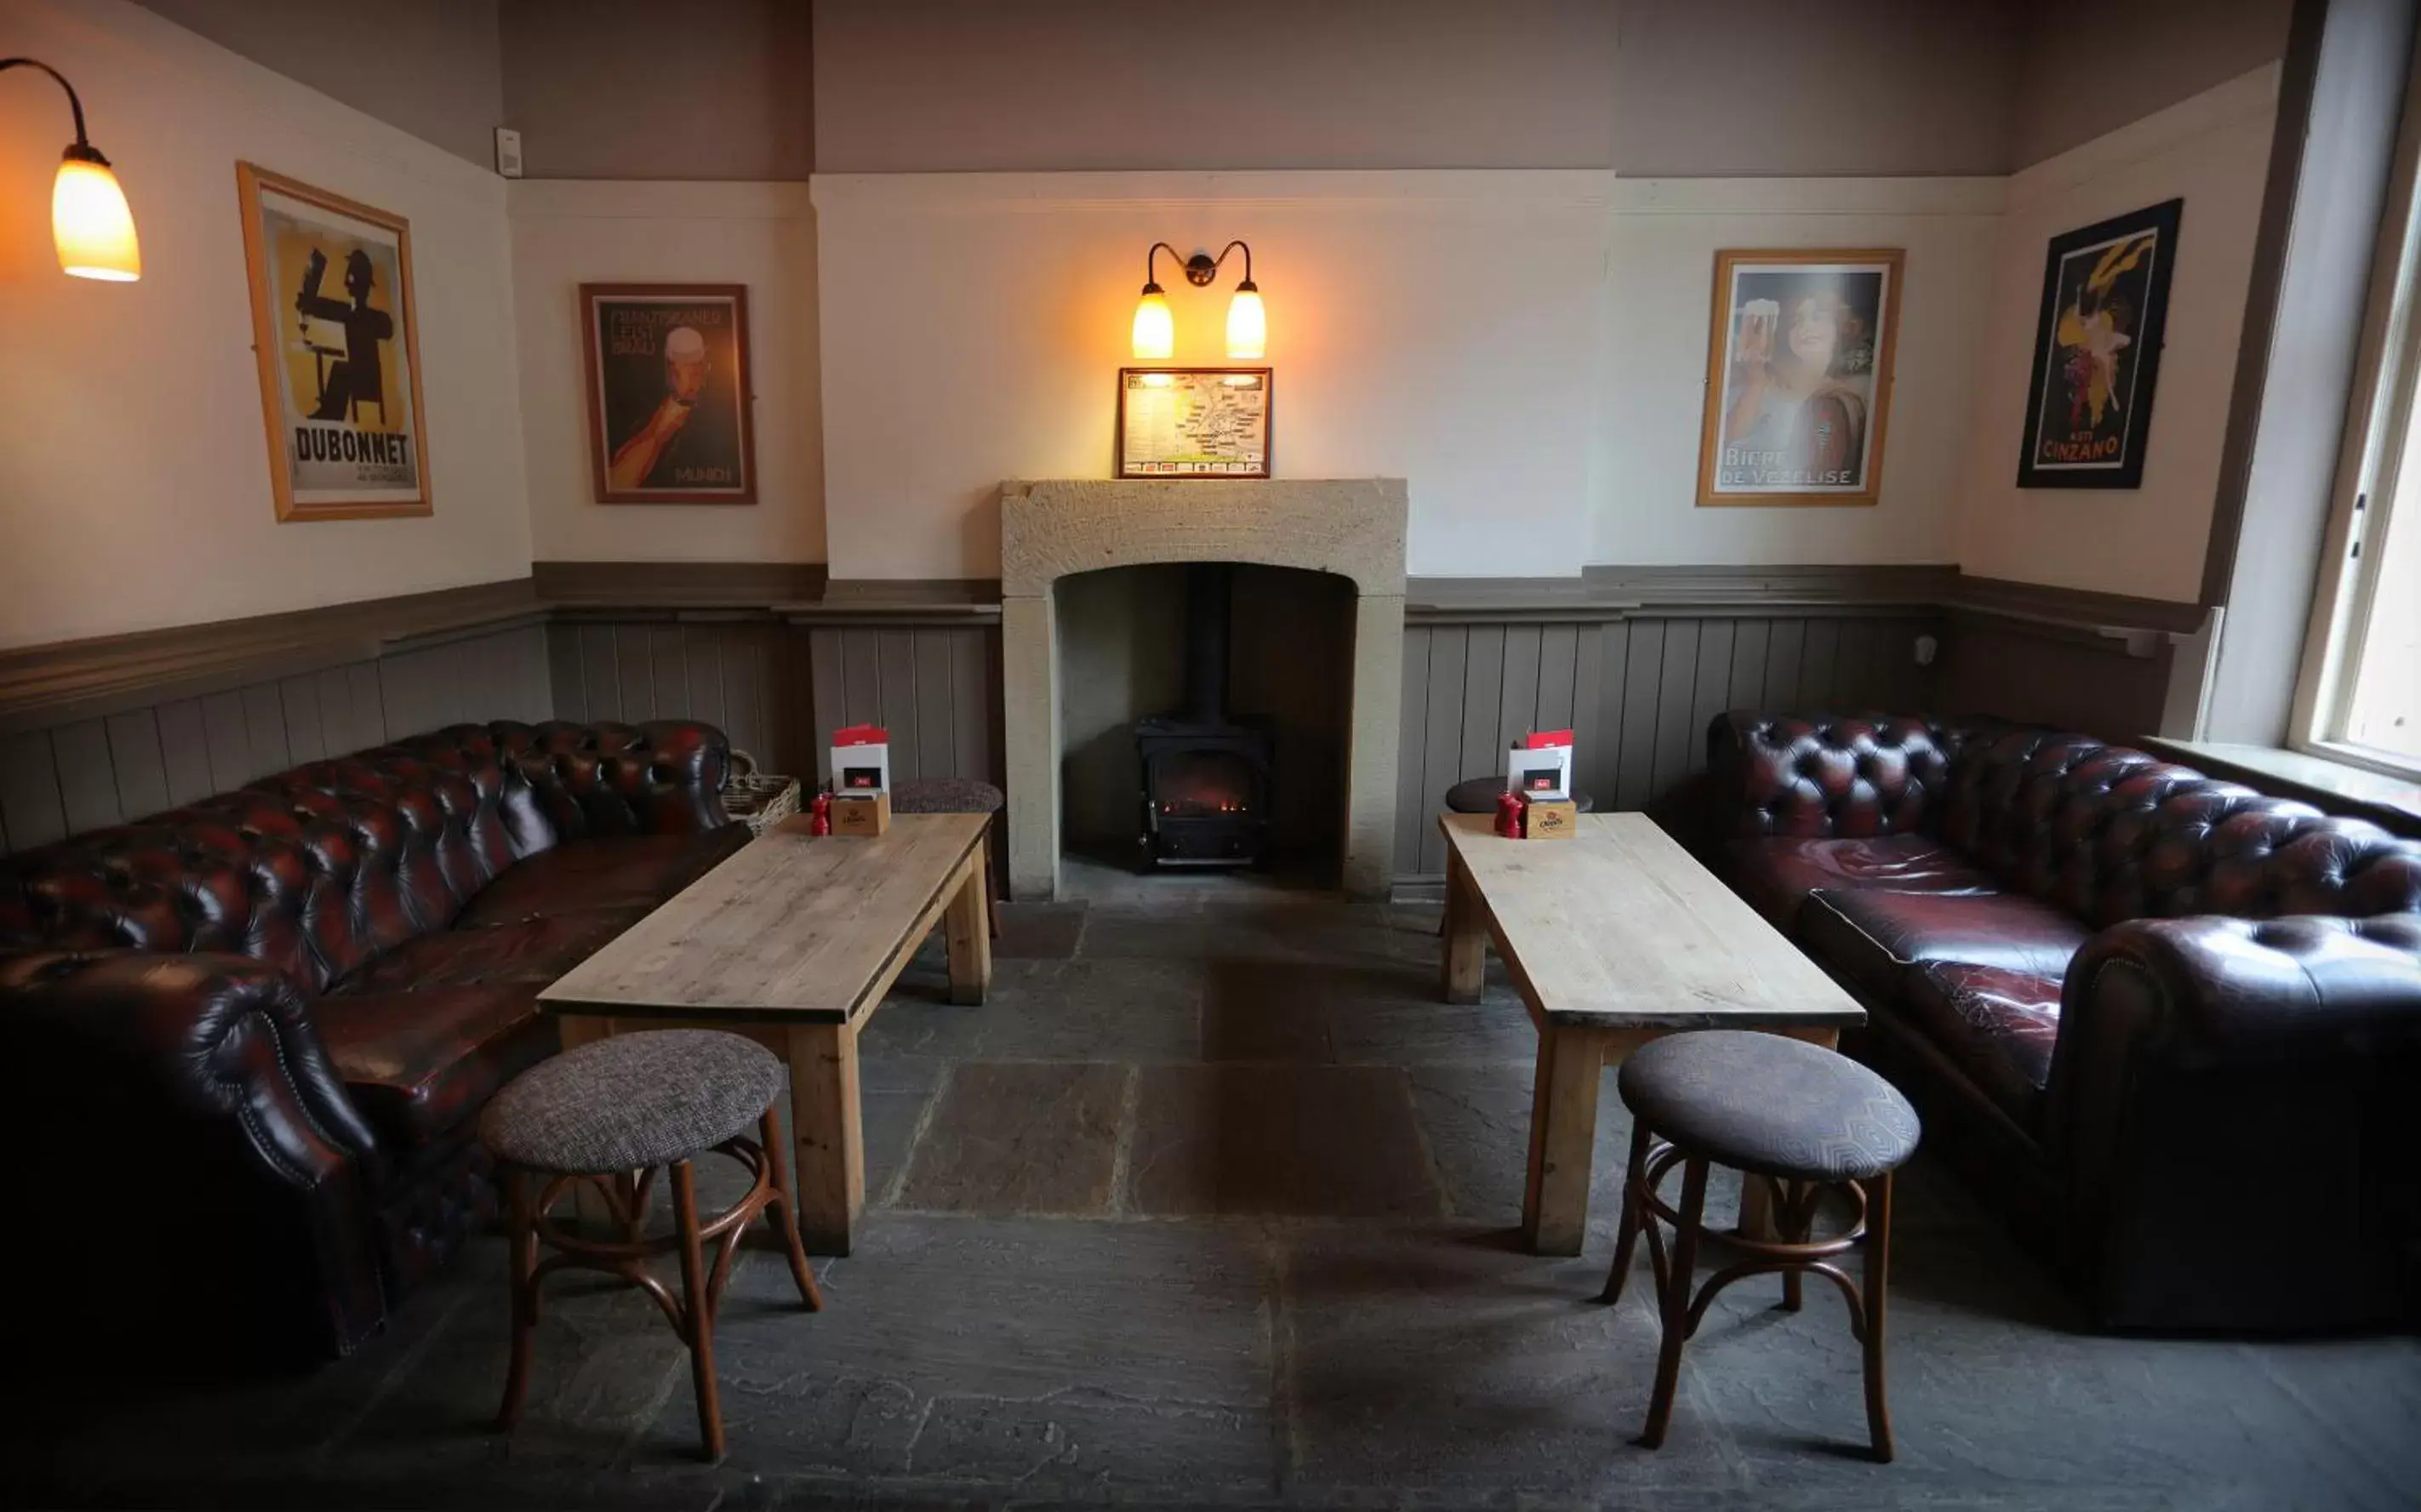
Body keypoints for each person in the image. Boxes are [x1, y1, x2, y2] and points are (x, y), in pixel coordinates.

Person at [1721, 284, 1870, 484]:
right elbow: (1720, 444)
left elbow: (1825, 457)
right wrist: (1755, 380)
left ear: (1844, 327)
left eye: (1817, 318)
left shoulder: (1844, 395)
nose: (1805, 329)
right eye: (1795, 321)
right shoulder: (1761, 382)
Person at [608, 324, 713, 491]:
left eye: (697, 367)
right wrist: (659, 431)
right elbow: (618, 482)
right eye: (686, 368)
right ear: (670, 370)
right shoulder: (646, 415)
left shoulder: (714, 418)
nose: (694, 374)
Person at [297, 248, 393, 424]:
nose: (347, 279)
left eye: (352, 274)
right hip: (360, 375)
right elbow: (326, 308)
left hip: (366, 379)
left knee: (341, 369)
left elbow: (387, 329)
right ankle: (329, 412)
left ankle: (330, 415)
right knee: (341, 368)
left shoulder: (372, 318)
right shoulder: (352, 313)